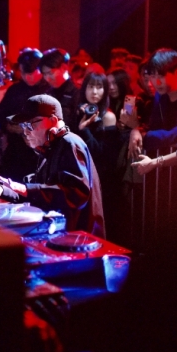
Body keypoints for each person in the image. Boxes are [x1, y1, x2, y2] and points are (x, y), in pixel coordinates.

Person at [0, 95, 105, 239]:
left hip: (80, 240)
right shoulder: (49, 148)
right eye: (23, 126)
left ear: (53, 121)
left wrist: (24, 189)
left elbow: (76, 194)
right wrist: (3, 190)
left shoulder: (70, 143)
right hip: (63, 236)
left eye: (30, 125)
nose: (25, 132)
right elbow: (38, 194)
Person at [73, 69, 126, 242]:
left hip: (102, 179)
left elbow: (102, 155)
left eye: (99, 87)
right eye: (90, 87)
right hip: (82, 175)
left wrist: (84, 130)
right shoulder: (79, 112)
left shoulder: (108, 117)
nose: (94, 92)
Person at [123, 49, 177, 161]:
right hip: (165, 163)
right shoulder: (160, 95)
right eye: (153, 76)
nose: (156, 82)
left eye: (161, 75)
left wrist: (145, 136)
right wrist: (137, 130)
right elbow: (154, 127)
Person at [0, 48, 49, 181]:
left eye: (31, 73)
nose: (27, 77)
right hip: (16, 152)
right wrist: (8, 126)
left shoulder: (49, 90)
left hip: (41, 155)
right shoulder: (15, 90)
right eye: (23, 73)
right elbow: (0, 114)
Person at [40, 48, 80, 129]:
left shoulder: (77, 92)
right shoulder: (47, 93)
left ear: (64, 67)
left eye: (50, 73)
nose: (47, 78)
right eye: (44, 74)